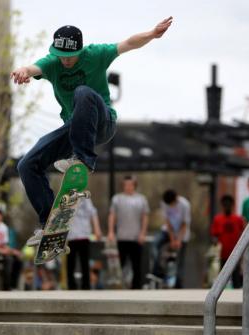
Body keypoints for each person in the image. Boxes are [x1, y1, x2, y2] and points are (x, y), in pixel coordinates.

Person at [12, 18, 174, 247]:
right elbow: (33, 68)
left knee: (83, 92)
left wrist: (151, 34)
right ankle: (50, 224)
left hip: (102, 122)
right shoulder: (52, 63)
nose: (66, 61)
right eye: (62, 56)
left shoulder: (96, 54)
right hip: (74, 129)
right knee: (27, 164)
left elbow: (127, 43)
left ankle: (83, 160)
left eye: (70, 56)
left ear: (80, 50)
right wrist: (23, 70)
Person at [108, 175, 149, 289]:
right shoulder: (117, 198)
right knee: (120, 265)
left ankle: (136, 288)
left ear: (134, 185)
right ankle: (120, 287)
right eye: (126, 185)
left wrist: (143, 233)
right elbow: (112, 215)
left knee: (137, 265)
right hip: (121, 237)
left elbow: (145, 217)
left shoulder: (141, 199)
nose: (128, 187)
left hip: (136, 237)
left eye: (130, 184)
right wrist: (111, 231)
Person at [152, 189, 191, 288]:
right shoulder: (164, 203)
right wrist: (172, 239)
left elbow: (184, 224)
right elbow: (167, 221)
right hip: (168, 231)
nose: (171, 206)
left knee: (180, 260)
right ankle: (158, 271)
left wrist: (178, 240)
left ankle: (178, 284)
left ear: (176, 198)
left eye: (172, 204)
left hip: (183, 234)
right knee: (155, 243)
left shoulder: (185, 204)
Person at [66, 198, 102, 290]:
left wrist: (97, 229)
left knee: (84, 262)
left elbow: (93, 213)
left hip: (84, 235)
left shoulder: (85, 198)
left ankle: (86, 285)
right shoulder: (66, 197)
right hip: (71, 236)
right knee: (71, 263)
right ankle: (71, 285)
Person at [210, 195, 244, 288]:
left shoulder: (238, 219)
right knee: (222, 278)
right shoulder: (218, 219)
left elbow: (243, 233)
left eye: (229, 205)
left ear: (232, 206)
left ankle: (237, 296)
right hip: (222, 254)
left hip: (235, 253)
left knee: (236, 277)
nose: (227, 207)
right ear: (222, 206)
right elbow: (214, 235)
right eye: (225, 205)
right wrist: (215, 242)